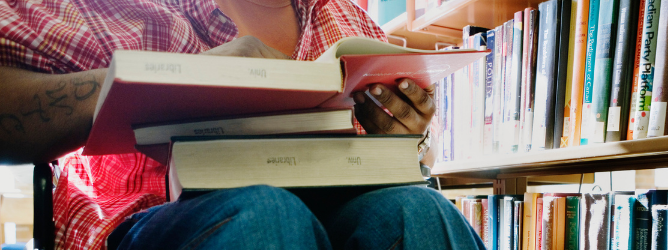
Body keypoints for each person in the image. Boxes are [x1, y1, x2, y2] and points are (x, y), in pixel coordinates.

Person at [0, 0, 482, 248]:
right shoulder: (118, 10)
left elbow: (424, 154)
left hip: (341, 210)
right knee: (267, 215)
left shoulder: (349, 19)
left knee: (418, 211)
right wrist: (162, 79)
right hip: (155, 216)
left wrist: (406, 135)